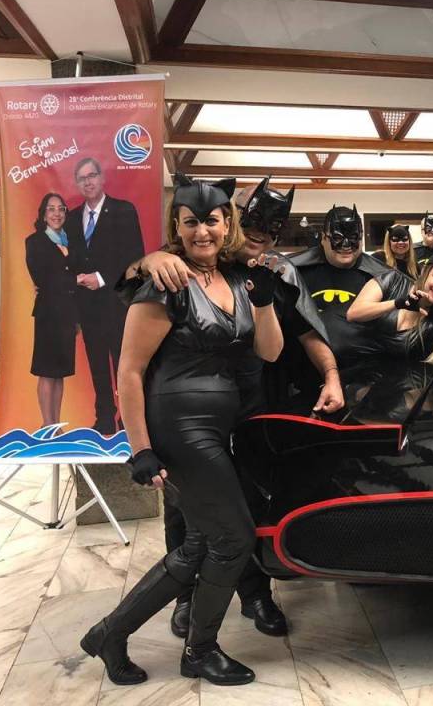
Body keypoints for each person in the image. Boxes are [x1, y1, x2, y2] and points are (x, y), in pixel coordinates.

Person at [80, 176, 284, 687]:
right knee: (233, 539)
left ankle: (109, 634)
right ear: (177, 226)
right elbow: (129, 370)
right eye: (191, 222)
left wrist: (264, 302)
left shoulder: (237, 279)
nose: (202, 231)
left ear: (227, 223)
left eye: (211, 220)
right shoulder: (165, 281)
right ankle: (200, 651)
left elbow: (270, 352)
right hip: (180, 426)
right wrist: (140, 449)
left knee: (197, 544)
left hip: (221, 427)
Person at [124, 177, 342, 639]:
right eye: (254, 224)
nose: (260, 236)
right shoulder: (181, 262)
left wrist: (331, 375)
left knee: (245, 504)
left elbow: (305, 329)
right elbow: (129, 296)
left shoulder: (274, 271)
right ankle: (187, 599)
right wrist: (150, 259)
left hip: (252, 403)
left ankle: (254, 593)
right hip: (185, 412)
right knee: (186, 511)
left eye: (271, 230)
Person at [66, 157, 144, 435]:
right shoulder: (72, 218)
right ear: (77, 183)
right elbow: (69, 261)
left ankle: (129, 419)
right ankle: (105, 419)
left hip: (118, 305)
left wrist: (100, 278)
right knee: (97, 366)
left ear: (102, 178)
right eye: (82, 178)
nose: (87, 182)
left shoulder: (124, 210)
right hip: (87, 308)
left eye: (92, 176)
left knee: (124, 366)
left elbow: (135, 258)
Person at [290, 204, 393, 365]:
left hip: (359, 366)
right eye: (337, 238)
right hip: (304, 363)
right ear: (323, 238)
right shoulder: (294, 271)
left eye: (353, 238)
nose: (346, 245)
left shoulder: (381, 276)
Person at [25, 193, 78, 429]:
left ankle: (56, 425)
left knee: (59, 372)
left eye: (61, 209)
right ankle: (47, 425)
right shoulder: (35, 241)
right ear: (43, 215)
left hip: (68, 315)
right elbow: (43, 279)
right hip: (48, 315)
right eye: (51, 209)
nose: (56, 213)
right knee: (47, 371)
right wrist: (76, 280)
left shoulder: (70, 241)